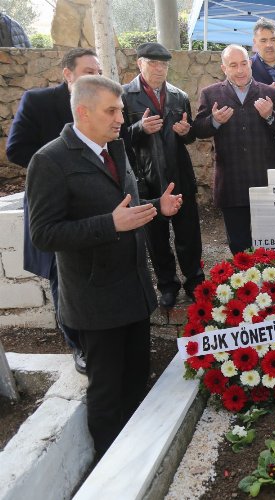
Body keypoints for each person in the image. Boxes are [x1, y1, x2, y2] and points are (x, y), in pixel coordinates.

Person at [25, 75, 184, 458]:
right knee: (107, 394)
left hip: (133, 293)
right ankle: (109, 469)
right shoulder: (49, 161)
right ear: (83, 112)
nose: (121, 119)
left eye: (120, 110)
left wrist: (156, 207)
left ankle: (136, 459)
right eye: (111, 111)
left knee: (136, 382)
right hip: (95, 302)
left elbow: (125, 204)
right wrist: (109, 224)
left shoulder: (115, 148)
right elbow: (43, 234)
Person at [6, 48, 102, 374]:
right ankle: (78, 346)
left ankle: (98, 336)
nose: (95, 76)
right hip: (56, 206)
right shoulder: (38, 101)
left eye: (98, 71)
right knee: (63, 279)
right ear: (68, 74)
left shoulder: (101, 103)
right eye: (88, 71)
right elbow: (16, 149)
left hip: (92, 205)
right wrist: (58, 167)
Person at [121, 42, 204, 308]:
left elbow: (190, 135)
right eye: (153, 63)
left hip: (180, 174)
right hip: (146, 178)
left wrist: (186, 132)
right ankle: (167, 285)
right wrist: (139, 128)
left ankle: (195, 281)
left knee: (189, 233)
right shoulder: (124, 96)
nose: (159, 69)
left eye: (164, 65)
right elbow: (116, 139)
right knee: (156, 238)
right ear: (139, 64)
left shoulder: (179, 96)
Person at [193, 45, 275, 255]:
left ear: (250, 64)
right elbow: (198, 129)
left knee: (269, 243)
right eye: (233, 65)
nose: (240, 70)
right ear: (223, 68)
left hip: (264, 180)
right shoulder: (210, 94)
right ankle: (244, 276)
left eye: (244, 64)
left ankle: (270, 277)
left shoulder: (269, 92)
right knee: (239, 247)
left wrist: (270, 116)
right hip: (231, 182)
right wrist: (214, 121)